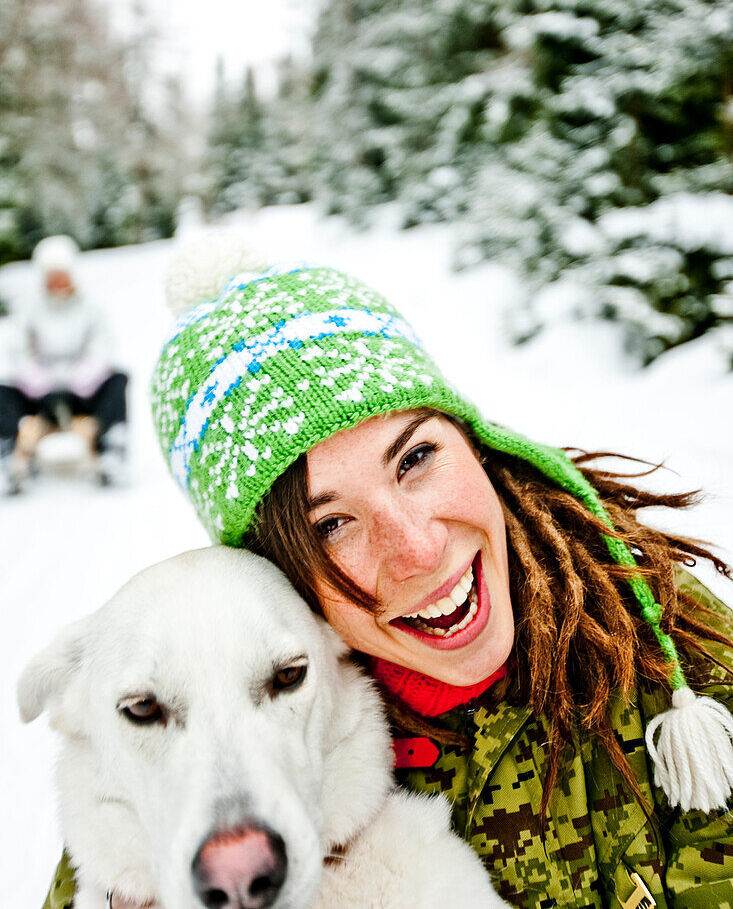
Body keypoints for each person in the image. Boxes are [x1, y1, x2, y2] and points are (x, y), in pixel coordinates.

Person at [44, 257, 733, 908]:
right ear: (278, 571)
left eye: (417, 457)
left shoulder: (662, 647)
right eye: (331, 524)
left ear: (477, 442)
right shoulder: (188, 802)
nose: (419, 548)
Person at [0, 235, 128, 494]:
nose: (58, 282)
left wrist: (78, 381)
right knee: (2, 392)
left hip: (82, 390)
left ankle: (110, 448)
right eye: (52, 276)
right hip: (39, 392)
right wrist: (41, 385)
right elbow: (18, 352)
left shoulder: (91, 307)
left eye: (62, 274)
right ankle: (9, 453)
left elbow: (102, 348)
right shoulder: (30, 308)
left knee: (118, 379)